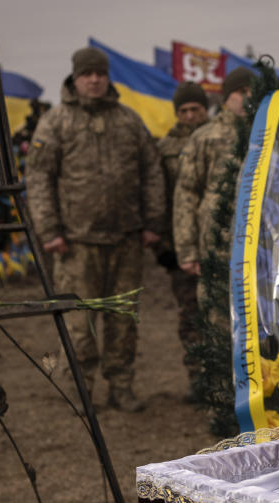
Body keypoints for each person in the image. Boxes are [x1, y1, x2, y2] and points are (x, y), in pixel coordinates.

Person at [25, 47, 165, 412]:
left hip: (126, 240)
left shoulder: (128, 120)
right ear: (75, 78)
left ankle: (122, 385)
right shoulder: (55, 122)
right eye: (87, 74)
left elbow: (151, 172)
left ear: (107, 77)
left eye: (100, 73)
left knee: (124, 319)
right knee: (79, 321)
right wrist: (49, 229)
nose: (94, 79)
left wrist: (153, 222)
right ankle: (81, 389)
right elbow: (38, 178)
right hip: (76, 243)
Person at [173, 67, 254, 281]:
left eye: (252, 90)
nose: (248, 97)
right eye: (241, 91)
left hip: (261, 247)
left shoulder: (270, 133)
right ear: (227, 99)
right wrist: (187, 250)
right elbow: (186, 194)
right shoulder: (205, 138)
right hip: (217, 246)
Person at [155, 81, 209, 373]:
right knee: (190, 311)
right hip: (181, 247)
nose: (190, 116)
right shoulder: (165, 148)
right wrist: (165, 245)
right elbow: (159, 197)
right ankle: (196, 373)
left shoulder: (221, 138)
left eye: (195, 109)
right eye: (184, 110)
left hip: (217, 242)